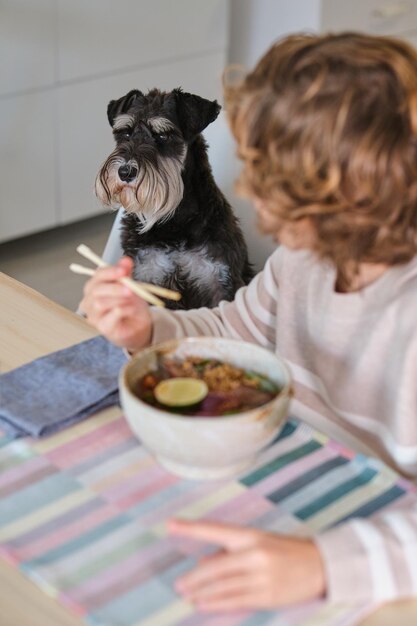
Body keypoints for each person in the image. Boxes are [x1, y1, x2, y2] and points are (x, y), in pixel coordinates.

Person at [80, 32, 417, 611]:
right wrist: (149, 330)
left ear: (347, 192)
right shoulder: (302, 260)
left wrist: (323, 564)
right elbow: (235, 329)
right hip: (276, 475)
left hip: (372, 546)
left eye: (267, 173)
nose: (248, 191)